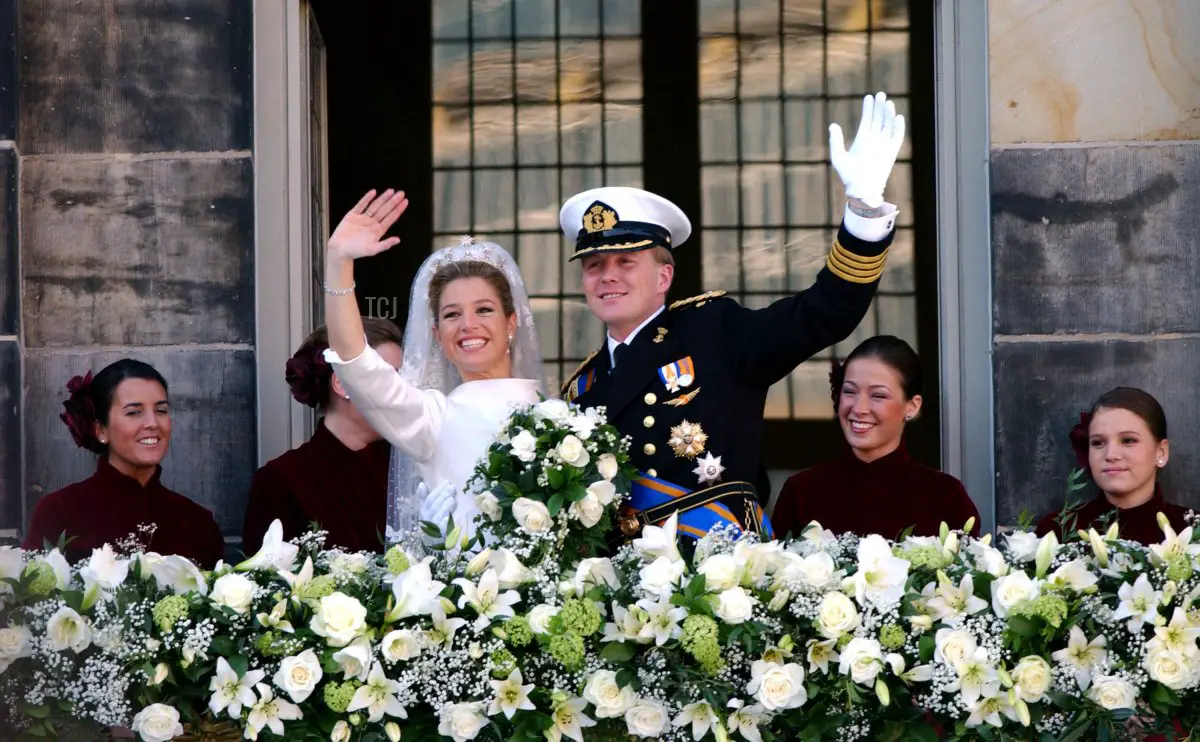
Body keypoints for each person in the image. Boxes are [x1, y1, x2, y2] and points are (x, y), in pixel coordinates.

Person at [559, 91, 906, 542]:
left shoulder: (715, 331)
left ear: (664, 276)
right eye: (594, 266)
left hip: (717, 575)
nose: (608, 276)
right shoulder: (582, 387)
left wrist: (862, 213)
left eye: (626, 263)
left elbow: (825, 311)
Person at [320, 191, 545, 550]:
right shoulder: (432, 417)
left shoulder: (560, 414)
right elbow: (355, 363)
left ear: (512, 322)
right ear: (437, 336)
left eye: (484, 310)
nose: (468, 325)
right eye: (452, 314)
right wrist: (338, 261)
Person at [771, 336, 979, 539]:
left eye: (878, 395)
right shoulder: (801, 492)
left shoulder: (946, 496)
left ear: (912, 406)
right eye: (849, 391)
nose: (859, 408)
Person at [23, 359, 225, 566]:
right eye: (134, 412)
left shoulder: (198, 522)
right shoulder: (60, 512)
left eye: (161, 410)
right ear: (101, 429)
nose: (152, 423)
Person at [242, 318, 404, 554]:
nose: (404, 392)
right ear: (342, 384)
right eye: (390, 378)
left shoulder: (407, 467)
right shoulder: (282, 480)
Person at [1036, 387, 1190, 545]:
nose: (1110, 455)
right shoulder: (1055, 531)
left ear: (1161, 452)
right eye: (1098, 443)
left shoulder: (1190, 530)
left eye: (1128, 440)